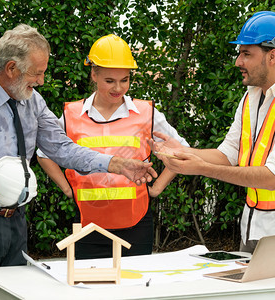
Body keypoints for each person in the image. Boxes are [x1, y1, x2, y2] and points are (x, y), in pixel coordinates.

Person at [0, 25, 157, 299]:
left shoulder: (33, 102)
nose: (42, 80)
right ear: (11, 68)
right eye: (38, 72)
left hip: (16, 222)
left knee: (12, 295)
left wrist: (117, 164)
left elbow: (63, 149)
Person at [150, 11, 275, 270]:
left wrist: (202, 169)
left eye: (246, 54)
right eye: (239, 53)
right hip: (256, 225)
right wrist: (183, 151)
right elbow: (229, 154)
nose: (238, 61)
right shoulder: (251, 97)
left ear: (272, 56)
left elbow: (272, 177)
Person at [36, 34, 189, 259]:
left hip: (136, 224)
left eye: (124, 80)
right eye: (110, 80)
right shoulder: (72, 115)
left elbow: (182, 151)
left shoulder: (146, 113)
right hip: (87, 223)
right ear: (94, 74)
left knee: (134, 289)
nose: (118, 88)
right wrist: (67, 188)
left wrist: (156, 189)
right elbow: (44, 153)